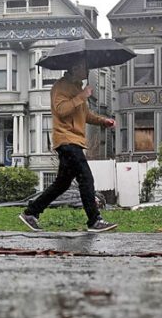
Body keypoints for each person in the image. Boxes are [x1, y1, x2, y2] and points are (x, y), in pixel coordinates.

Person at [20, 58, 117, 233]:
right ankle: (94, 220)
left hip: (74, 141)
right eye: (85, 67)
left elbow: (85, 115)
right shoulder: (61, 86)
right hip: (66, 140)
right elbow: (61, 110)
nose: (87, 71)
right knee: (86, 178)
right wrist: (82, 96)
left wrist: (104, 121)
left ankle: (31, 212)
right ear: (75, 67)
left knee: (62, 184)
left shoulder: (77, 88)